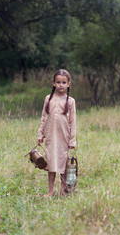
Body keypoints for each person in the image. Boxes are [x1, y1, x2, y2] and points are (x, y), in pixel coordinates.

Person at [37, 69, 76, 197]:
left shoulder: (70, 101)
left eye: (64, 82)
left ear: (68, 84)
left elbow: (72, 122)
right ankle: (50, 191)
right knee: (51, 164)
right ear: (53, 83)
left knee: (63, 165)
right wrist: (40, 133)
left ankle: (63, 191)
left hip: (64, 137)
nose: (61, 85)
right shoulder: (48, 98)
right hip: (50, 136)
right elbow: (44, 117)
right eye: (58, 82)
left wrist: (72, 140)